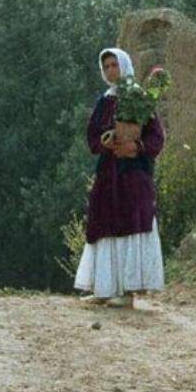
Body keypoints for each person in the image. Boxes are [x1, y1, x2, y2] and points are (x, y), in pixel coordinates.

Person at [74, 47, 166, 308]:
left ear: (124, 66)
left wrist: (136, 147)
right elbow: (92, 136)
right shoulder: (104, 102)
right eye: (106, 67)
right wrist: (106, 142)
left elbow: (156, 137)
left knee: (131, 224)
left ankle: (127, 292)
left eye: (114, 65)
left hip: (133, 175)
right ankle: (104, 288)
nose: (110, 70)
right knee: (104, 225)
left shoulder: (138, 97)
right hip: (108, 175)